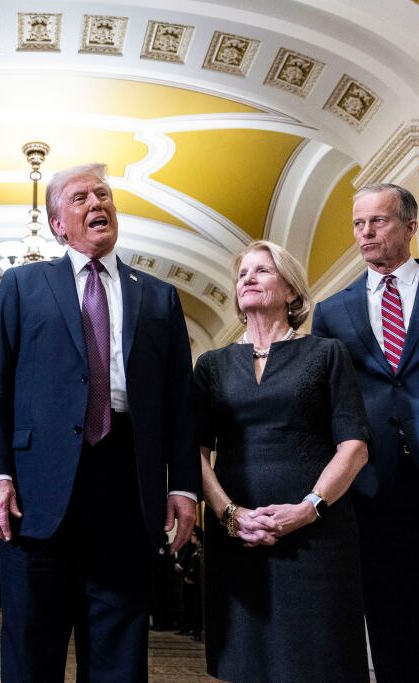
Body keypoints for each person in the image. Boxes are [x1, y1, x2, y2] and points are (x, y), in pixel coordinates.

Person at [0, 163, 200, 681]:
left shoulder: (158, 295)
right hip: (35, 491)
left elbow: (178, 402)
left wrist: (183, 485)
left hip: (126, 482)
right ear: (57, 224)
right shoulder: (23, 284)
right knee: (32, 650)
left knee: (119, 653)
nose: (97, 203)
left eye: (104, 194)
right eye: (80, 198)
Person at [195, 240, 369, 682]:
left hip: (317, 535)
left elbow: (355, 445)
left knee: (316, 658)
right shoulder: (212, 365)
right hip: (238, 534)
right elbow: (196, 452)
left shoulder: (326, 354)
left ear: (292, 291)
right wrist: (229, 515)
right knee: (244, 662)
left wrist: (309, 508)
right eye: (242, 274)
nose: (247, 279)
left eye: (262, 271)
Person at [311, 183, 419, 682]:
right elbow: (322, 401)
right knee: (391, 608)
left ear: (410, 226)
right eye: (358, 223)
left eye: (378, 221)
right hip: (376, 481)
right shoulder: (334, 311)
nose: (366, 232)